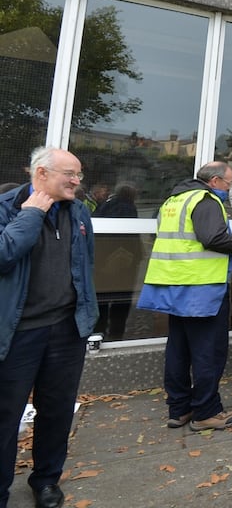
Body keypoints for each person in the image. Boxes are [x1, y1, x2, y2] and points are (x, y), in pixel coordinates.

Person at [0, 147, 99, 508]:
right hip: (17, 333)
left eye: (79, 175)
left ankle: (45, 481)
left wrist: (86, 316)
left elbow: (86, 267)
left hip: (65, 330)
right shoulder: (7, 207)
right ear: (41, 174)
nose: (77, 181)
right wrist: (31, 216)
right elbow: (3, 255)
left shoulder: (81, 213)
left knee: (57, 411)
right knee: (6, 416)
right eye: (69, 174)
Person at [138, 162, 232, 431]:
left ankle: (179, 408)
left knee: (178, 350)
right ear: (215, 181)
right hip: (201, 289)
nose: (229, 189)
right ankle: (206, 411)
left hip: (174, 285)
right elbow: (212, 239)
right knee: (208, 351)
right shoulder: (205, 200)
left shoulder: (173, 201)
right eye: (229, 184)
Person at [92, 183, 141, 341]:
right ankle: (116, 334)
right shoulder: (126, 208)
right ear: (130, 195)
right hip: (121, 261)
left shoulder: (104, 206)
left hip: (101, 259)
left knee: (102, 299)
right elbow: (128, 237)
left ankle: (98, 332)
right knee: (121, 300)